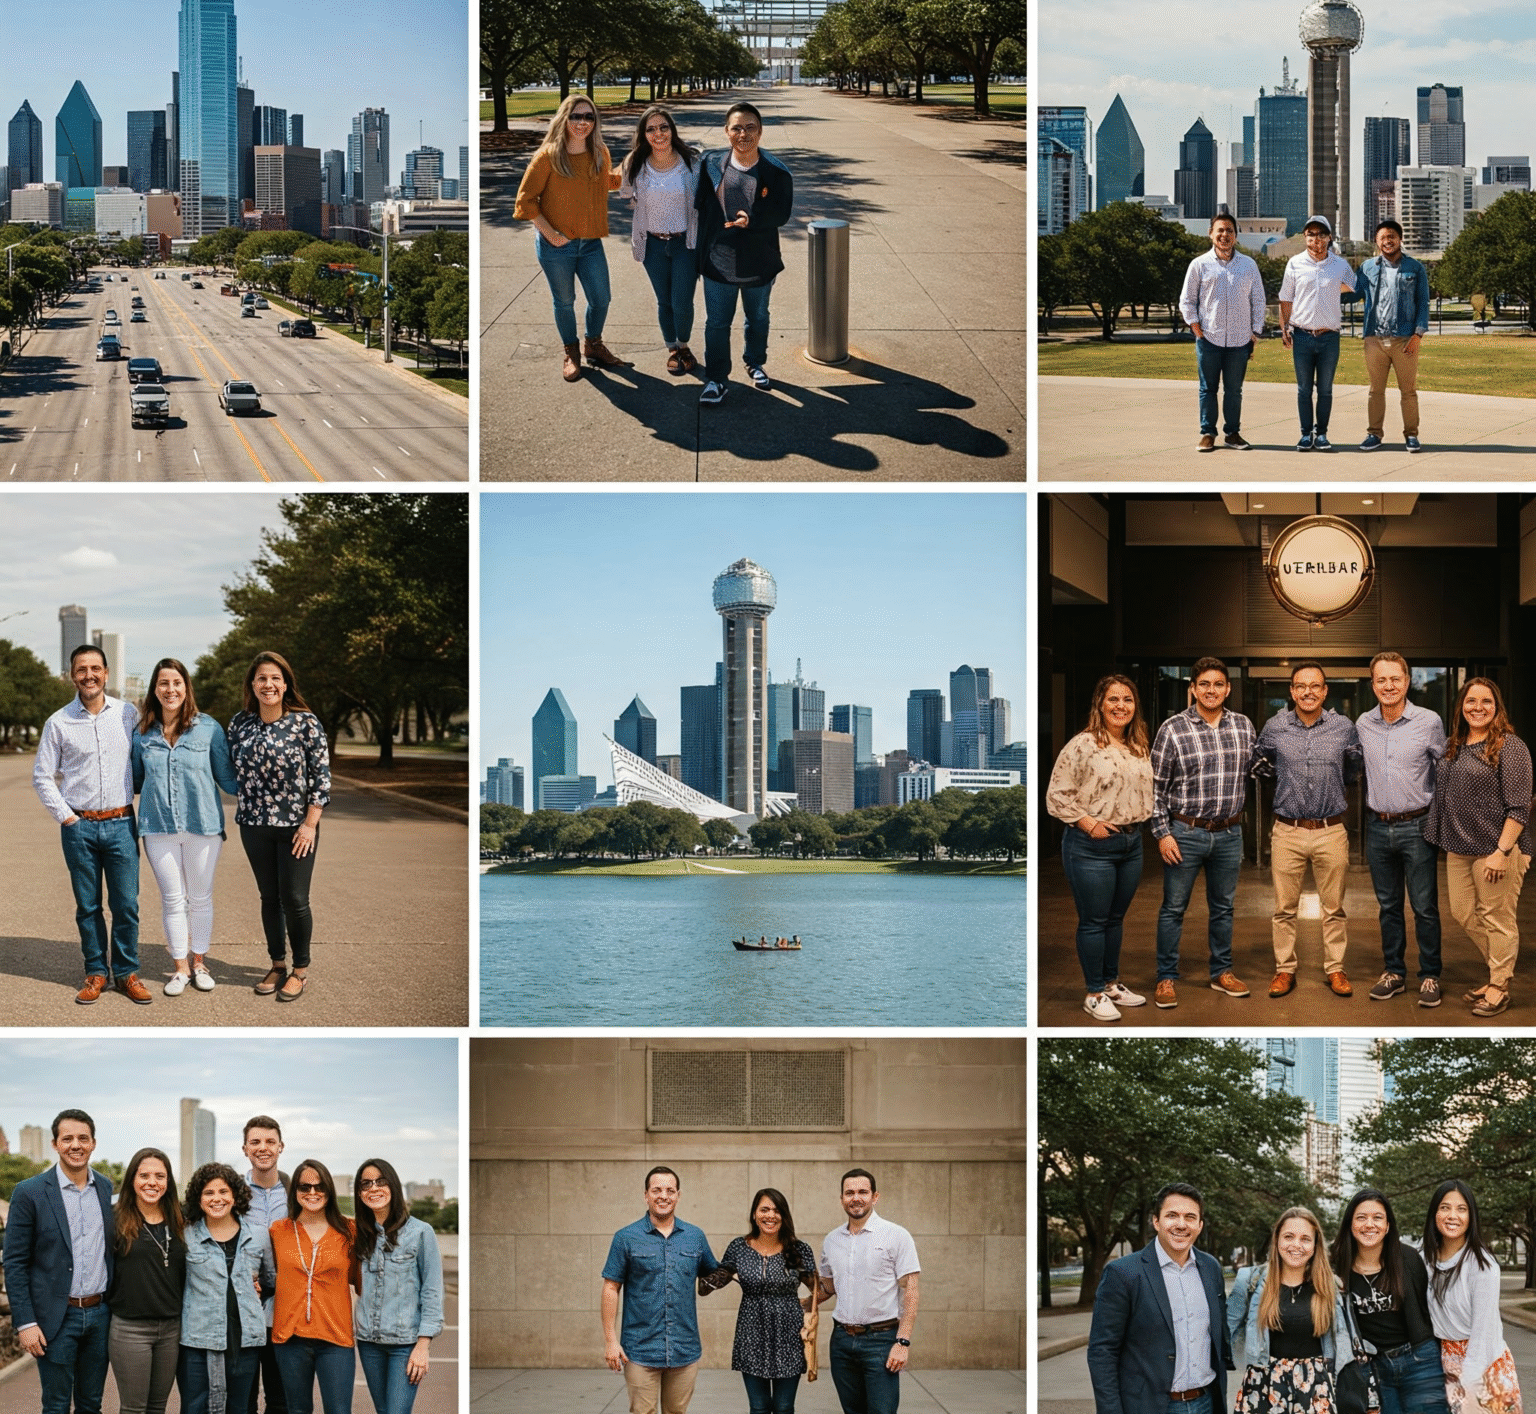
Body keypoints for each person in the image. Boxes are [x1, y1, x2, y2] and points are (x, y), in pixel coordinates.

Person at [33, 643, 150, 1006]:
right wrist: (67, 818)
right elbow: (42, 776)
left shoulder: (128, 714)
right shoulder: (59, 722)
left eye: (95, 668)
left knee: (126, 905)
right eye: (81, 669)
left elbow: (146, 759)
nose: (89, 675)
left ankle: (127, 973)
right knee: (87, 906)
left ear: (106, 673)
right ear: (72, 675)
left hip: (120, 824)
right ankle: (96, 972)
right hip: (79, 827)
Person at [1046, 673, 1156, 1022]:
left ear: (1135, 706)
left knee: (1115, 919)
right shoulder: (1082, 745)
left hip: (1131, 842)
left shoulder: (1138, 745)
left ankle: (1111, 983)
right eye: (1113, 699)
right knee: (1093, 921)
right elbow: (1056, 795)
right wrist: (1089, 824)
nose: (1120, 706)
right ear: (1100, 704)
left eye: (1127, 699)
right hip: (1091, 845)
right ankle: (1093, 993)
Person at [1250, 661, 1363, 999]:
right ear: (1292, 691)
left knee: (1334, 908)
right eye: (1301, 686)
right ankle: (1285, 970)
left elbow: (1353, 767)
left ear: (1325, 691)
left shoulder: (1344, 727)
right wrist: (1287, 781)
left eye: (1315, 686)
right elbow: (1259, 762)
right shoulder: (1275, 725)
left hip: (1331, 830)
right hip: (1288, 830)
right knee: (1284, 908)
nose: (1308, 692)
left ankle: (1335, 969)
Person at [1148, 657, 1256, 1007]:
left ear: (1228, 689)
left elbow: (1259, 769)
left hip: (1228, 833)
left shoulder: (1243, 726)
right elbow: (1155, 787)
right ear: (1192, 688)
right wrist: (1163, 833)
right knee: (1174, 908)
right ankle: (1166, 978)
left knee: (1223, 908)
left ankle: (1221, 972)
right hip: (1185, 832)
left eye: (1219, 684)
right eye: (1204, 684)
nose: (1212, 690)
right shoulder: (1173, 729)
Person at [1424, 676, 1532, 1018]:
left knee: (1497, 917)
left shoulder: (1509, 746)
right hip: (1459, 847)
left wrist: (1503, 852)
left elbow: (1520, 805)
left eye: (1486, 701)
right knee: (1463, 912)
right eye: (1471, 701)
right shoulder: (1454, 744)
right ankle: (1501, 970)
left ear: (1497, 707)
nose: (1478, 708)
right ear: (1461, 707)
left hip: (1495, 847)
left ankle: (1499, 984)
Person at [132, 657, 239, 996]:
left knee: (200, 898)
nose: (170, 689)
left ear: (186, 687)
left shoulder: (208, 728)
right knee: (172, 899)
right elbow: (134, 780)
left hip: (203, 826)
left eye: (176, 683)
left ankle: (200, 962)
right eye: (163, 683)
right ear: (155, 689)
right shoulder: (142, 733)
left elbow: (227, 778)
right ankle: (180, 968)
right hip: (157, 826)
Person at [228, 653, 331, 1004]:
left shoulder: (306, 723)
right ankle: (277, 964)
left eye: (275, 678)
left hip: (295, 829)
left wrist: (310, 824)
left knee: (295, 899)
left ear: (285, 684)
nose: (268, 685)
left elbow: (321, 778)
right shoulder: (239, 724)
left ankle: (300, 970)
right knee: (269, 898)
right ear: (252, 685)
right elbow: (226, 770)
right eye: (261, 679)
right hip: (254, 826)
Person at [2, 1110, 116, 1414]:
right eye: (67, 1138)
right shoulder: (30, 1192)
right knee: (55, 1405)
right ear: (55, 1143)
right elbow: (14, 1262)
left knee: (92, 1404)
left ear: (93, 1144)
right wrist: (26, 1322)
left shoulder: (105, 1189)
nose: (75, 1145)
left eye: (83, 1138)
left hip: (100, 1314)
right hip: (55, 1317)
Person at [1086, 1181, 1230, 1414]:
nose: (1181, 1224)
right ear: (1156, 1221)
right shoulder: (1124, 1273)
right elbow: (1102, 1351)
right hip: (1149, 1406)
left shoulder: (1211, 1268)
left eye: (1190, 1217)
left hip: (1206, 1403)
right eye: (1172, 1215)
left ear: (1200, 1225)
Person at [513, 93, 627, 381]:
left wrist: (632, 166)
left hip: (590, 244)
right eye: (576, 116)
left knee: (601, 298)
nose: (582, 122)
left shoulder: (600, 152)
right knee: (565, 301)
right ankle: (571, 353)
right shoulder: (547, 156)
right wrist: (551, 234)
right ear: (564, 119)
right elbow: (525, 202)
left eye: (589, 116)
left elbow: (607, 183)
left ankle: (593, 344)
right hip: (556, 247)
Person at [1357, 652, 1447, 1007]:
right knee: (1388, 906)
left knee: (1424, 906)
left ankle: (1430, 975)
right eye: (1381, 680)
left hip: (1418, 825)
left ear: (1407, 682)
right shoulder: (1363, 723)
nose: (1389, 686)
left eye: (1395, 679)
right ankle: (1394, 972)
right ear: (1373, 684)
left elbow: (1444, 773)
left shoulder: (1429, 721)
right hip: (1377, 827)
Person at [694, 102, 793, 407]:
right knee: (717, 324)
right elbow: (699, 204)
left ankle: (755, 362)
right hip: (718, 261)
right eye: (736, 127)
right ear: (727, 132)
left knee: (758, 317)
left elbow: (782, 213)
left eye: (750, 127)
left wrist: (753, 220)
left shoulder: (776, 171)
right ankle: (716, 379)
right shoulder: (711, 164)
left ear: (760, 131)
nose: (743, 133)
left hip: (759, 260)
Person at [601, 1165, 719, 1414]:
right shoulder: (626, 1238)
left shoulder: (695, 1237)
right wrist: (611, 1341)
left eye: (670, 1190)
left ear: (678, 1195)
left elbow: (716, 1273)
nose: (663, 1196)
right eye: (657, 1190)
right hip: (640, 1350)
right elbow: (611, 1287)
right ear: (646, 1195)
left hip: (684, 1349)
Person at [1328, 1188, 1449, 1414]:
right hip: (1374, 1367)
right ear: (1350, 1224)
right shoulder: (1336, 1264)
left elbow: (1427, 1308)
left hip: (1418, 1358)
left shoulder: (1408, 1258)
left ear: (1387, 1226)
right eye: (1361, 1217)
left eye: (1377, 1218)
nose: (1369, 1224)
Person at [699, 1188, 817, 1414]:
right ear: (754, 1214)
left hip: (789, 1336)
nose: (770, 1215)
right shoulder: (739, 1247)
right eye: (764, 1209)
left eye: (776, 1210)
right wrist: (700, 1270)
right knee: (759, 1407)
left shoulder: (799, 1249)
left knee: (784, 1408)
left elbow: (818, 1289)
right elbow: (713, 1282)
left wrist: (807, 1303)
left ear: (784, 1215)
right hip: (751, 1334)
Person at [816, 1168, 920, 1414]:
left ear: (875, 1197)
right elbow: (827, 1288)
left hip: (881, 1341)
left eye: (863, 1192)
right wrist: (794, 1300)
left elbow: (911, 1290)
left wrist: (902, 1342)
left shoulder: (896, 1235)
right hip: (841, 1341)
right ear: (841, 1198)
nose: (856, 1197)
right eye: (849, 1192)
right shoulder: (832, 1240)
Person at [179, 1163, 277, 1414]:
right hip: (198, 1340)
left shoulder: (258, 1235)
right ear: (198, 1199)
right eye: (208, 1193)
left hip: (244, 1340)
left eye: (223, 1191)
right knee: (194, 1407)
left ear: (234, 1195)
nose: (217, 1199)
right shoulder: (186, 1235)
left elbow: (270, 1280)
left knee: (240, 1408)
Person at [1422, 1180, 1523, 1414]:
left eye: (1461, 1209)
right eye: (1445, 1207)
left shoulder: (1482, 1265)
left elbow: (1483, 1335)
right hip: (1445, 1362)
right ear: (1434, 1213)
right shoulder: (1424, 1258)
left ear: (1471, 1216)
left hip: (1485, 1366)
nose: (1452, 1215)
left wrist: (1467, 1387)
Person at [352, 1159, 444, 1414]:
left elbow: (432, 1290)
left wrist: (423, 1346)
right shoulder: (360, 1234)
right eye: (366, 1184)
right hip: (369, 1342)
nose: (374, 1188)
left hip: (405, 1344)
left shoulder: (420, 1232)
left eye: (381, 1181)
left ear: (393, 1186)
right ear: (359, 1193)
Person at [1234, 1207, 1346, 1414]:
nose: (1296, 1245)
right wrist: (1246, 1363)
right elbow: (1229, 1330)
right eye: (1288, 1236)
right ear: (1277, 1240)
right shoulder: (1250, 1281)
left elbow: (1341, 1341)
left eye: (1305, 1239)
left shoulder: (1329, 1287)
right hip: (1264, 1387)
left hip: (1315, 1389)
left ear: (1315, 1245)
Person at [270, 1160, 358, 1414]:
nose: (312, 1193)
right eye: (304, 1187)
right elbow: (269, 1273)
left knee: (339, 1411)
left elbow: (359, 1277)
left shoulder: (348, 1231)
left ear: (329, 1191)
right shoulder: (279, 1231)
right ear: (295, 1192)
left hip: (336, 1337)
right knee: (296, 1410)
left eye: (319, 1187)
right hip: (290, 1338)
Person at [619, 106, 701, 375]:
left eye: (663, 127)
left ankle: (685, 345)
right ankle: (673, 349)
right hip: (653, 243)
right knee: (664, 301)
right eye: (651, 129)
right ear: (644, 135)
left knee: (682, 302)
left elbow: (712, 192)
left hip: (685, 244)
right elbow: (626, 194)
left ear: (672, 130)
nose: (658, 133)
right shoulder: (635, 162)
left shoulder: (691, 161)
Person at [1177, 212, 1267, 452]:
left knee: (1234, 390)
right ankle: (1207, 433)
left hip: (1240, 340)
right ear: (1211, 234)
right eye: (1220, 230)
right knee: (1208, 388)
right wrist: (1196, 327)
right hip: (1209, 338)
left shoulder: (1249, 265)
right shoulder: (1199, 265)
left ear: (1236, 236)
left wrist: (1255, 332)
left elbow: (1259, 300)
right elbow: (1186, 301)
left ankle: (1233, 433)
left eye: (1229, 231)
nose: (1224, 235)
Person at [108, 1148, 187, 1414]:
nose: (152, 1182)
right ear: (132, 1179)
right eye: (144, 1175)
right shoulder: (115, 1219)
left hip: (171, 1329)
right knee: (133, 1409)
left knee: (157, 1407)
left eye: (160, 1176)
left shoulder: (180, 1220)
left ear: (168, 1182)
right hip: (131, 1330)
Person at [1277, 215, 1358, 451]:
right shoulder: (1294, 263)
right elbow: (1286, 298)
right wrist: (1285, 328)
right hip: (1302, 335)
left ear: (1329, 237)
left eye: (1321, 234)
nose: (1316, 240)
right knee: (1303, 389)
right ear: (1305, 237)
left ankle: (1321, 434)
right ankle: (1305, 434)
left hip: (1329, 336)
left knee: (1325, 389)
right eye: (1311, 235)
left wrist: (1333, 287)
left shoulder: (1339, 265)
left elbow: (1354, 286)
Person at [1355, 218, 1430, 452]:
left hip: (1405, 339)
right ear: (1376, 242)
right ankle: (1374, 434)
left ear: (1400, 239)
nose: (1387, 241)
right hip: (1374, 339)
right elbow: (1352, 293)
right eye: (1382, 238)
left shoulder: (1415, 268)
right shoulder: (1367, 267)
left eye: (1391, 237)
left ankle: (1411, 435)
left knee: (1408, 391)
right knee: (1375, 390)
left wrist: (1418, 335)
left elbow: (1423, 303)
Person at [241, 1117, 292, 1414]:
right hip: (243, 1306)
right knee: (242, 1399)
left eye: (270, 1142)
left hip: (285, 1306)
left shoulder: (296, 1191)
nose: (263, 1148)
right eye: (256, 1142)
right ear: (245, 1148)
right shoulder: (231, 1191)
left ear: (280, 1147)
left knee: (280, 1400)